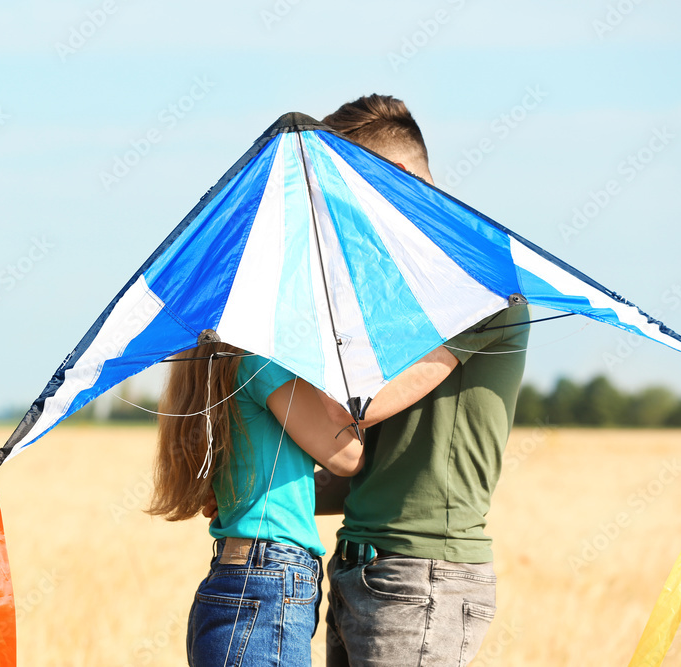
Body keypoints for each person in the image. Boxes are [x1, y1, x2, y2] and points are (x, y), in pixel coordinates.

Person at [315, 95, 531, 666]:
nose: (344, 213)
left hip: (424, 578)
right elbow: (369, 469)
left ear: (404, 175)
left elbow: (364, 407)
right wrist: (260, 496)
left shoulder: (476, 278)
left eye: (352, 189)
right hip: (360, 570)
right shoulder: (395, 289)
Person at [147, 342, 367, 667]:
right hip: (267, 579)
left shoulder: (211, 365)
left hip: (235, 577)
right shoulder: (263, 363)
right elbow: (348, 457)